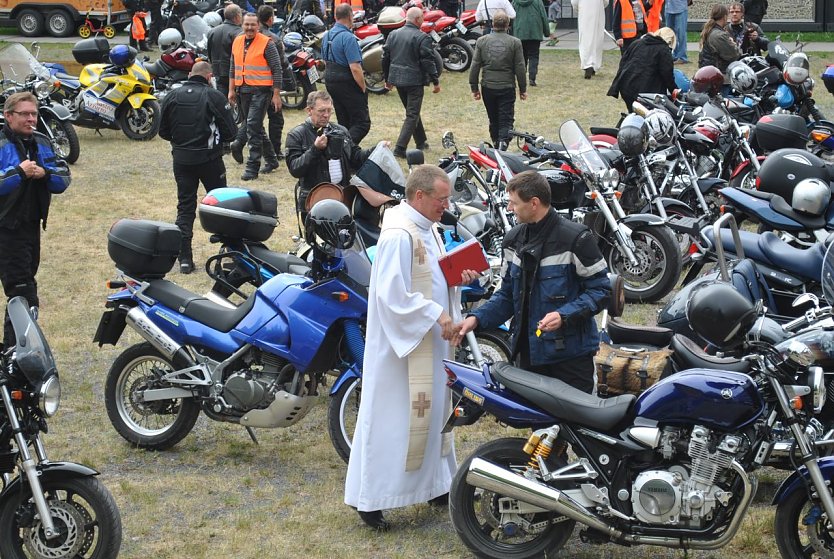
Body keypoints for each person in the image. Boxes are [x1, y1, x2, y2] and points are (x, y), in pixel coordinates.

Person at [344, 164, 480, 531]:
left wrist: (458, 281)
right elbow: (391, 295)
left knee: (434, 415)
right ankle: (372, 500)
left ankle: (435, 485)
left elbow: (432, 278)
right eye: (442, 198)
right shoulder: (398, 235)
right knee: (393, 421)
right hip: (401, 353)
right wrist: (438, 314)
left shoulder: (427, 228)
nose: (447, 205)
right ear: (419, 196)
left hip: (432, 345)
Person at [456, 171, 610, 394]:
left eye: (514, 203)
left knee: (573, 425)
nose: (509, 208)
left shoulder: (576, 239)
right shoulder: (513, 240)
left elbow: (601, 291)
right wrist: (476, 319)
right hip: (528, 353)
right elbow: (507, 294)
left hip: (570, 357)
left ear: (534, 203)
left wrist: (564, 315)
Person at [0, 92, 71, 348]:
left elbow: (63, 177)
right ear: (9, 116)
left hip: (31, 228)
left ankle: (13, 350)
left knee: (22, 292)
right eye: (25, 114)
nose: (31, 119)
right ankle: (17, 354)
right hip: (6, 230)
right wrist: (18, 173)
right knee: (23, 293)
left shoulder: (42, 141)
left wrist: (45, 173)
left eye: (34, 114)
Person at [159, 61, 238, 274]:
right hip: (209, 159)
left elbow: (163, 131)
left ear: (189, 74)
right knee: (221, 205)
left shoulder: (172, 96)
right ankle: (229, 253)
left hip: (182, 160)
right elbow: (231, 132)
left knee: (185, 207)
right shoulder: (213, 96)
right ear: (209, 76)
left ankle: (184, 257)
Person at [285, 91, 373, 223]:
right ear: (309, 110)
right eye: (321, 111)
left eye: (329, 110)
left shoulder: (340, 131)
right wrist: (315, 149)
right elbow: (295, 169)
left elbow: (355, 157)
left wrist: (374, 151)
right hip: (314, 198)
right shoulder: (297, 135)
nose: (326, 115)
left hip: (342, 196)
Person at [228, 12, 283, 181]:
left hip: (261, 91)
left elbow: (277, 69)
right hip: (243, 90)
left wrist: (276, 94)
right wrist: (231, 90)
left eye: (253, 25)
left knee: (252, 126)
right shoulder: (237, 41)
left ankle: (252, 167)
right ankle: (272, 161)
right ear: (242, 25)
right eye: (247, 24)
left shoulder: (267, 44)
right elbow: (233, 67)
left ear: (258, 26)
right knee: (256, 127)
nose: (250, 28)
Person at [382, 7, 441, 158]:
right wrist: (435, 80)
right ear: (417, 19)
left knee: (412, 112)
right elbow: (428, 61)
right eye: (422, 17)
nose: (423, 20)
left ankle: (421, 141)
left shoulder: (393, 34)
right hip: (414, 80)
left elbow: (385, 58)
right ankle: (400, 148)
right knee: (412, 114)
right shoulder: (422, 37)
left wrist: (388, 78)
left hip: (398, 78)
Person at [469, 10, 526, 149]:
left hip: (488, 86)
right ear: (508, 25)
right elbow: (520, 67)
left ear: (493, 24)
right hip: (507, 86)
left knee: (493, 118)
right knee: (506, 118)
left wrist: (474, 87)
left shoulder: (482, 41)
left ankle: (496, 142)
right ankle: (502, 143)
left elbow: (475, 65)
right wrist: (523, 88)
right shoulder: (515, 42)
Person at [322, 3, 371, 145]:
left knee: (344, 121)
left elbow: (325, 61)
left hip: (330, 79)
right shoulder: (348, 37)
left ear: (336, 16)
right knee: (362, 123)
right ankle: (342, 147)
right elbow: (355, 67)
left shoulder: (327, 35)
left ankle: (346, 155)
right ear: (350, 17)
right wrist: (362, 87)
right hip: (346, 81)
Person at [607, 27, 677, 111]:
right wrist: (674, 90)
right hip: (647, 91)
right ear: (670, 41)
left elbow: (623, 63)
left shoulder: (636, 43)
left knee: (634, 113)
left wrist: (617, 85)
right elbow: (667, 74)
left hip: (627, 86)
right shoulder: (663, 50)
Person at [258, 5, 290, 160]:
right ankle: (275, 151)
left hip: (252, 83)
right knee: (276, 118)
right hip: (270, 85)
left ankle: (248, 146)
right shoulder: (273, 39)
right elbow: (281, 64)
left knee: (253, 120)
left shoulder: (249, 36)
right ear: (270, 19)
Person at [207, 4, 243, 99]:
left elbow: (209, 52)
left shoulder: (212, 31)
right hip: (234, 72)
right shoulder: (239, 33)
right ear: (237, 16)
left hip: (217, 70)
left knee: (222, 100)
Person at [511, 0, 549, 86]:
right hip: (534, 33)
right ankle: (532, 78)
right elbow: (543, 16)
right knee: (534, 56)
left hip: (519, 33)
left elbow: (511, 17)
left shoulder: (515, 2)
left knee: (521, 58)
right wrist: (547, 32)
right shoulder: (538, 2)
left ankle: (521, 78)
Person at [572, 0, 609, 79]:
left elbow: (574, 2)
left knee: (586, 39)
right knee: (597, 38)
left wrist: (578, 8)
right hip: (598, 10)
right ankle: (595, 65)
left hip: (584, 11)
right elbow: (606, 2)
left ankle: (588, 64)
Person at [698, 4, 741, 73]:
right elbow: (733, 55)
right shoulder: (718, 35)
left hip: (707, 72)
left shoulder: (710, 30)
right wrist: (733, 44)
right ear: (724, 17)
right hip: (716, 75)